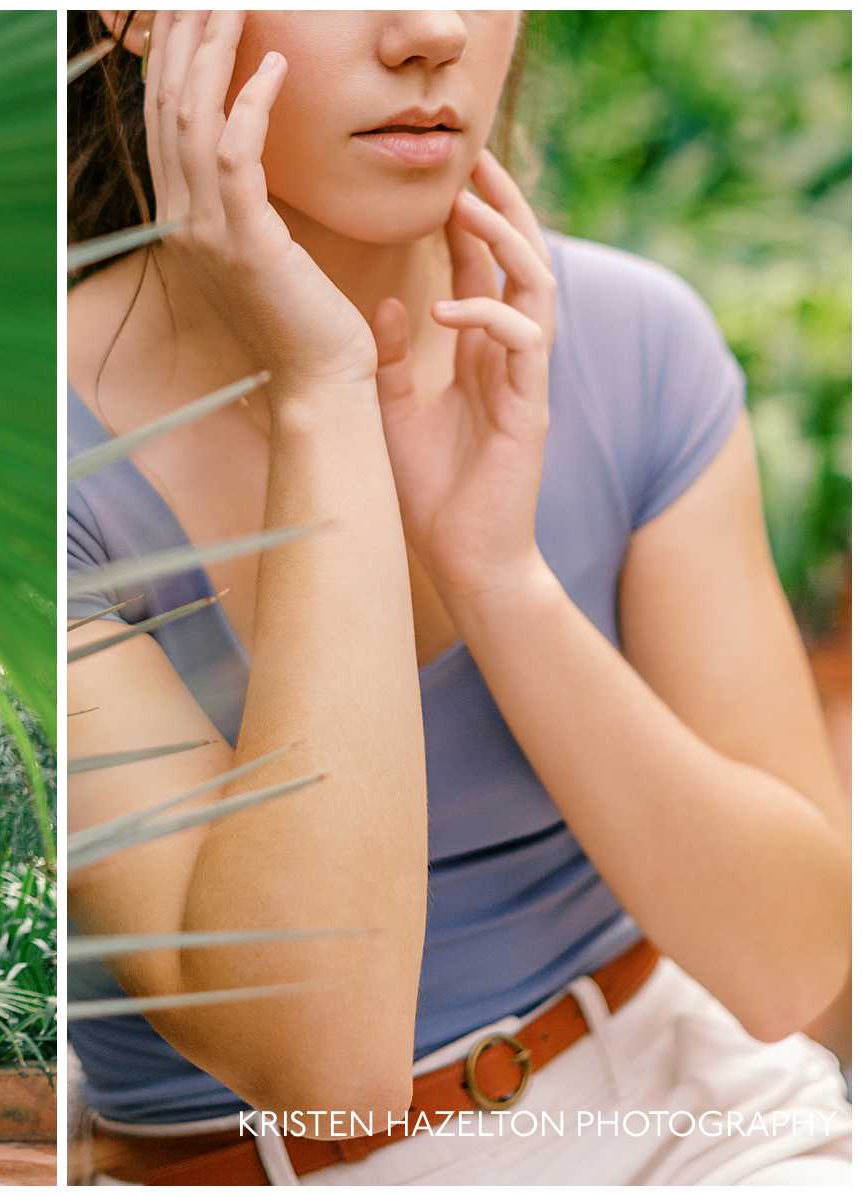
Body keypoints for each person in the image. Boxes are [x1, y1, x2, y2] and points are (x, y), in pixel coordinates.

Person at [66, 9, 851, 1185]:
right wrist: (321, 394)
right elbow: (322, 1064)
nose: (430, 31)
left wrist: (502, 578)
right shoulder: (34, 468)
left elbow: (790, 965)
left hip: (697, 1106)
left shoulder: (633, 340)